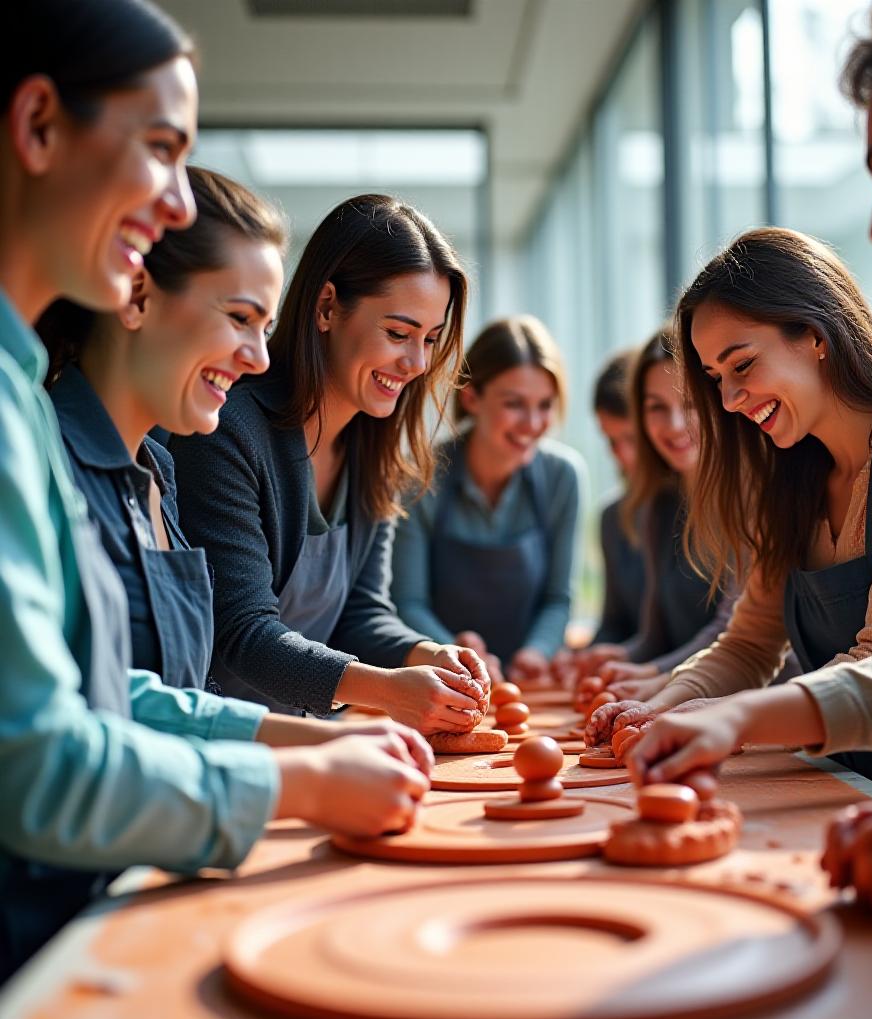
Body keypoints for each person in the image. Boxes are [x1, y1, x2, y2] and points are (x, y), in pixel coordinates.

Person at [0, 0, 431, 980]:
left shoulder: (123, 452)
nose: (174, 203)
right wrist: (301, 778)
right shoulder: (53, 429)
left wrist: (316, 748)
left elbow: (117, 695)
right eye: (159, 148)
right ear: (36, 127)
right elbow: (41, 764)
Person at [590, 226, 872, 793]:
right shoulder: (792, 471)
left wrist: (728, 719)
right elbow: (751, 641)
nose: (728, 401)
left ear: (813, 334)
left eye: (743, 365)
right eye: (716, 378)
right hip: (836, 782)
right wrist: (658, 704)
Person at [170, 194, 489, 726]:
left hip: (314, 739)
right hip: (228, 745)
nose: (415, 363)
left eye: (431, 339)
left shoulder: (378, 449)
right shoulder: (229, 430)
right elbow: (243, 632)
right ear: (326, 307)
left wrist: (429, 655)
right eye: (397, 333)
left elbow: (360, 614)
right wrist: (387, 689)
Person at [36, 166, 284, 693]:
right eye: (240, 318)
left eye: (267, 329)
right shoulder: (44, 464)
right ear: (139, 296)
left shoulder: (159, 469)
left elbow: (171, 701)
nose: (260, 359)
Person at [390, 315, 585, 686]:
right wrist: (453, 654)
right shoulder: (418, 478)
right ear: (472, 397)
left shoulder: (564, 477)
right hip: (440, 680)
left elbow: (559, 598)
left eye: (545, 405)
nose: (533, 423)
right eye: (515, 404)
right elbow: (407, 603)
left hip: (528, 685)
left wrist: (538, 651)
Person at [574, 330, 738, 707]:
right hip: (686, 702)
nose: (674, 424)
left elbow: (733, 632)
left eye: (690, 404)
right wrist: (621, 660)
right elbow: (653, 635)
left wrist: (654, 675)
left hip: (725, 703)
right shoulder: (656, 508)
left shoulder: (752, 497)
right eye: (656, 408)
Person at [586, 348, 646, 648]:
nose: (622, 455)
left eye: (632, 439)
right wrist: (589, 656)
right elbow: (613, 624)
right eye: (611, 441)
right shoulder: (613, 518)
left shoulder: (707, 510)